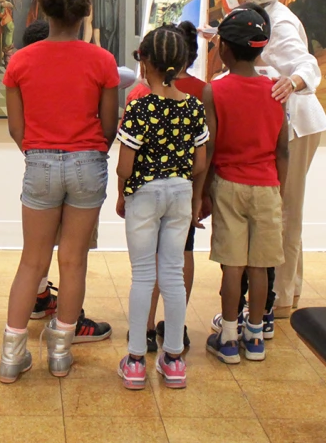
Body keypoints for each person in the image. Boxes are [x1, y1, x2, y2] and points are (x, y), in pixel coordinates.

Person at [0, 0, 119, 383]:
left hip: (40, 162)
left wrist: (39, 152)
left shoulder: (20, 61)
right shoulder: (102, 61)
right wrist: (87, 152)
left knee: (32, 262)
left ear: (44, 7)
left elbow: (16, 128)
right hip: (88, 162)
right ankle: (62, 354)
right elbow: (109, 126)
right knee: (73, 261)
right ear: (85, 9)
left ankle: (11, 357)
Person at [220, 0, 326, 326]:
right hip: (282, 122)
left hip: (296, 123)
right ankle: (287, 288)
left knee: (285, 209)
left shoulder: (278, 21)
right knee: (282, 208)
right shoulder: (260, 14)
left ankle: (278, 298)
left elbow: (308, 65)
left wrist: (293, 82)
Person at [115, 26, 209, 390]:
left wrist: (122, 193)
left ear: (144, 63)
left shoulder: (139, 107)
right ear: (183, 63)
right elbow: (200, 163)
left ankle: (136, 360)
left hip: (144, 193)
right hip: (181, 192)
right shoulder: (193, 106)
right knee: (172, 274)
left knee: (143, 276)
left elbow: (125, 166)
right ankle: (173, 360)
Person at [204, 5, 289, 364]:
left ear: (223, 47)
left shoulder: (214, 91)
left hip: (227, 185)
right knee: (260, 266)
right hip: (266, 186)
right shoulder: (275, 90)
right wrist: (279, 190)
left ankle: (227, 337)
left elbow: (210, 147)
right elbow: (282, 149)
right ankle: (255, 336)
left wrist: (201, 193)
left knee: (232, 265)